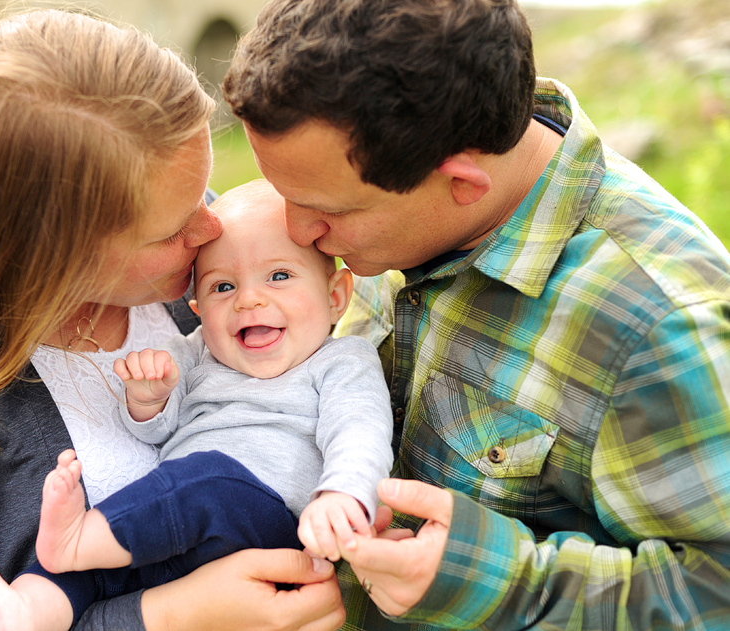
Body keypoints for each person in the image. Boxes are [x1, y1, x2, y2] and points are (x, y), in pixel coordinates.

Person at [0, 10, 347, 631]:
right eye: (170, 228)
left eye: (201, 192)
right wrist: (173, 616)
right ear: (46, 255)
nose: (211, 227)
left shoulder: (208, 265)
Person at [222, 0, 730, 629]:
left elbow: (717, 591)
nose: (298, 231)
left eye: (327, 208)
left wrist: (496, 580)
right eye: (285, 195)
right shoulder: (402, 202)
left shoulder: (655, 325)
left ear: (462, 183)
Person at [0, 179, 394, 631]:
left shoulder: (340, 360)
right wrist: (149, 400)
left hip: (266, 519)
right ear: (198, 307)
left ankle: (80, 537)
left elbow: (360, 432)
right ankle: (23, 612)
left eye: (279, 276)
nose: (249, 299)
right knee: (84, 572)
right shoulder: (198, 349)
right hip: (178, 533)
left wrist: (342, 494)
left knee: (207, 479)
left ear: (336, 296)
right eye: (223, 287)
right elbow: (156, 432)